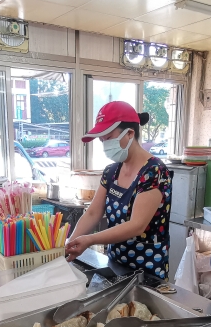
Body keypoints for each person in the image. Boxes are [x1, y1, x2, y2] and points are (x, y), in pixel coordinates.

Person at [65, 101, 172, 280]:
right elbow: (92, 213)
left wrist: (90, 240)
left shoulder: (154, 171)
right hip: (115, 264)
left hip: (147, 269)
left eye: (108, 137)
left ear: (130, 133)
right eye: (102, 140)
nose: (105, 144)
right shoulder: (111, 171)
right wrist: (71, 243)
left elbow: (137, 225)